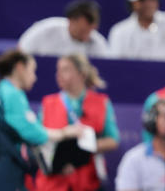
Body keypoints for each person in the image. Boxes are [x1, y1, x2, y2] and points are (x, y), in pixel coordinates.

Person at [0, 50, 84, 190]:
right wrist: (65, 133)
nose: (34, 78)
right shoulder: (12, 94)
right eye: (32, 71)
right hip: (4, 167)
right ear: (20, 67)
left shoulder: (0, 90)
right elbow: (33, 133)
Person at [36, 54, 120, 191]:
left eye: (66, 70)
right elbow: (38, 139)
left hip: (87, 180)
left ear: (81, 74)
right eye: (58, 70)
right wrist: (59, 161)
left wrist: (83, 150)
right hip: (53, 182)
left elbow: (113, 140)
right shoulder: (47, 103)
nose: (59, 75)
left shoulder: (101, 102)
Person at [18, 0, 109, 58]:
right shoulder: (45, 30)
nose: (87, 36)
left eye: (91, 31)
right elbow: (21, 52)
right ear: (71, 21)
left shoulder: (98, 42)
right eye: (83, 31)